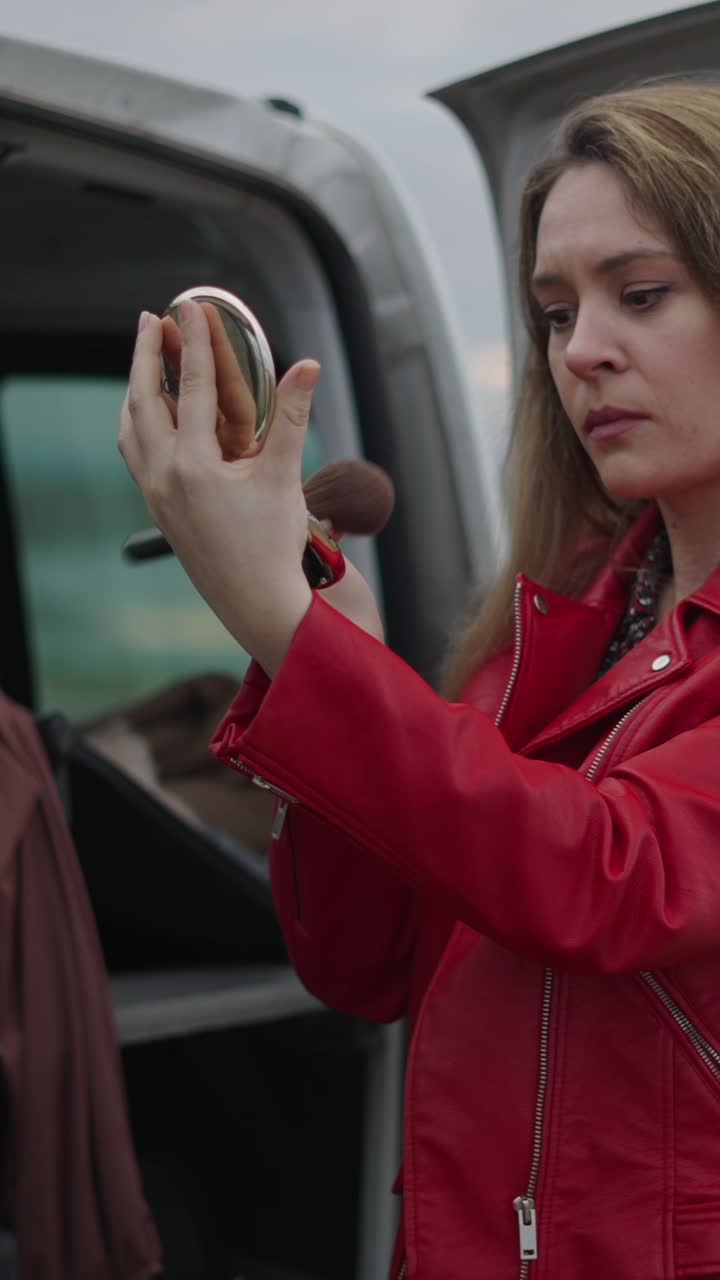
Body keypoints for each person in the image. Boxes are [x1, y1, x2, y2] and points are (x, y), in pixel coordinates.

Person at [119, 78, 720, 1279]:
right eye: (554, 313)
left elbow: (607, 877)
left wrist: (303, 648)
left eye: (640, 294)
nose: (583, 349)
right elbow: (368, 959)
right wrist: (335, 648)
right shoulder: (554, 630)